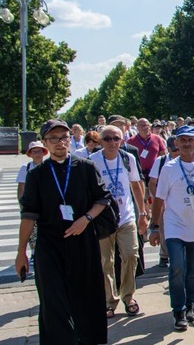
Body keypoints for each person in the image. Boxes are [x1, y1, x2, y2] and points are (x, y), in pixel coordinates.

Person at [16, 119, 110, 344]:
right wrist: (21, 251)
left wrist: (85, 219)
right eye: (54, 138)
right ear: (46, 142)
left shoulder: (86, 167)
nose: (60, 143)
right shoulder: (37, 174)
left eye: (64, 137)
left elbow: (102, 199)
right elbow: (29, 214)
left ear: (70, 139)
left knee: (86, 295)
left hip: (82, 239)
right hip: (50, 243)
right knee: (53, 299)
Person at [90, 125, 148, 318]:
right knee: (106, 261)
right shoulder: (92, 161)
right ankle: (109, 299)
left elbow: (136, 185)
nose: (112, 143)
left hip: (126, 216)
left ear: (122, 141)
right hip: (103, 219)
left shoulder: (127, 158)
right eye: (107, 139)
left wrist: (142, 213)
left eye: (116, 139)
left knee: (131, 255)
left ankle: (128, 295)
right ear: (100, 141)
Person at [148, 125, 194, 330]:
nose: (187, 144)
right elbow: (159, 200)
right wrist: (154, 227)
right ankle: (178, 309)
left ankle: (190, 305)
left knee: (193, 270)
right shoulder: (169, 168)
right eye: (183, 140)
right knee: (177, 267)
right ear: (176, 144)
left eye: (190, 140)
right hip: (174, 226)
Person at [150, 135, 179, 268]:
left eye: (178, 149)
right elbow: (152, 182)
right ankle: (164, 255)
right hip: (163, 200)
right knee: (163, 228)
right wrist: (158, 198)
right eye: (174, 150)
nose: (177, 152)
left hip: (179, 201)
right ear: (168, 149)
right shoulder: (161, 162)